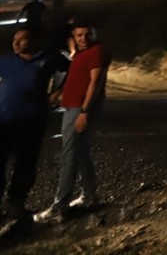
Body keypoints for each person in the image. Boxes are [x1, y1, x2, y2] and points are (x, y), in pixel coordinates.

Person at [34, 21, 110, 224]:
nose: (83, 38)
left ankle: (59, 207)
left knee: (68, 154)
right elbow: (73, 78)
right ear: (73, 37)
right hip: (73, 106)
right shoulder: (80, 53)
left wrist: (84, 111)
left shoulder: (96, 51)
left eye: (87, 34)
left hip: (79, 108)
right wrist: (58, 93)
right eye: (79, 35)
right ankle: (89, 193)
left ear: (94, 34)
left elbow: (96, 82)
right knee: (81, 151)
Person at [0, 27, 56, 234]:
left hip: (31, 122)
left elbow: (72, 69)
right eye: (15, 39)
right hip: (3, 122)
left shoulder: (48, 59)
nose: (16, 43)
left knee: (25, 164)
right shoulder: (6, 61)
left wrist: (57, 92)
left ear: (34, 41)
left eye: (22, 39)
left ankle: (15, 205)